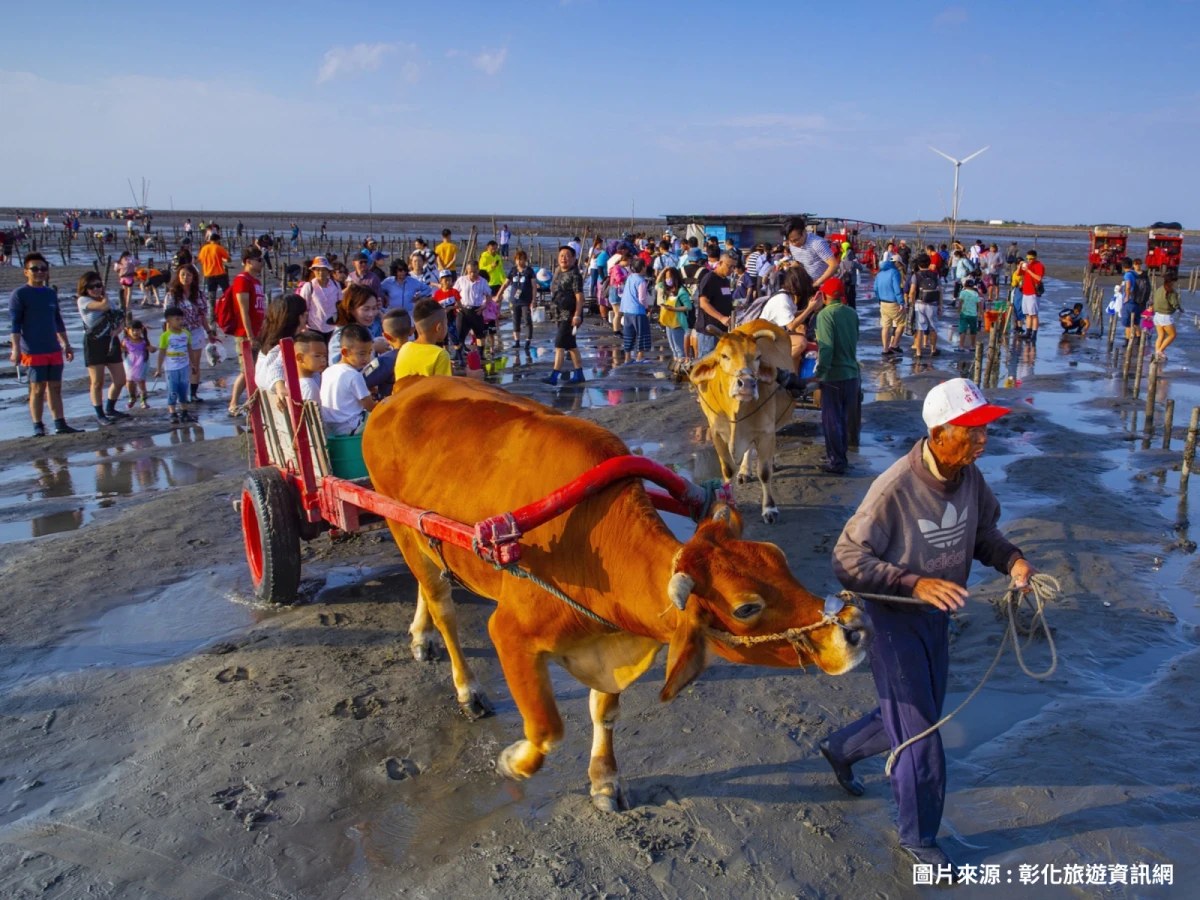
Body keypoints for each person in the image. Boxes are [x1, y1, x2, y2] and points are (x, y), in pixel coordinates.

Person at [820, 378, 1037, 876]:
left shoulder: (971, 478)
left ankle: (840, 748)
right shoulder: (894, 488)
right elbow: (847, 557)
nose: (983, 441)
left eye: (984, 430)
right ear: (939, 433)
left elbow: (984, 533)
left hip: (936, 617)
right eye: (972, 431)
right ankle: (919, 838)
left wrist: (1015, 563)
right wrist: (912, 583)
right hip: (891, 618)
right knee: (919, 734)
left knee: (919, 715)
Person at [9, 253, 80, 436]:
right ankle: (38, 426)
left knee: (56, 387)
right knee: (37, 388)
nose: (39, 272)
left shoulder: (50, 293)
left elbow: (58, 320)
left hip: (53, 348)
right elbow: (16, 323)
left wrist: (66, 344)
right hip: (33, 349)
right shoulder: (20, 294)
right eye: (35, 269)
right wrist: (15, 349)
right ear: (26, 272)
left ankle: (60, 423)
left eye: (43, 269)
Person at [813, 278, 860, 475]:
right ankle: (839, 456)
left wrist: (818, 375)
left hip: (834, 375)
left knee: (831, 420)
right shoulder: (852, 313)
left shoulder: (825, 315)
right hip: (852, 374)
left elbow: (826, 348)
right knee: (842, 418)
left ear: (825, 296)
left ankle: (836, 461)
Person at [76, 272, 128, 425]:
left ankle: (110, 408)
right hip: (94, 343)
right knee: (97, 381)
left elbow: (120, 318)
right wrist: (104, 295)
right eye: (91, 287)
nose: (96, 289)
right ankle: (100, 414)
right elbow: (103, 306)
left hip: (111, 341)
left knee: (120, 380)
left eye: (98, 285)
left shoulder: (108, 301)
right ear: (85, 288)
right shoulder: (83, 300)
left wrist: (118, 330)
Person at [227, 246, 267, 417]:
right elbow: (243, 310)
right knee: (247, 371)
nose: (262, 262)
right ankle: (234, 403)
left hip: (258, 333)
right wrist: (250, 335)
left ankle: (250, 404)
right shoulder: (242, 280)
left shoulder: (256, 281)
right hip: (245, 334)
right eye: (259, 260)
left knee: (257, 370)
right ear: (249, 261)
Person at [251, 294, 309, 414]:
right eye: (305, 313)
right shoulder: (287, 347)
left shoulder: (266, 349)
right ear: (300, 317)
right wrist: (280, 387)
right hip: (299, 421)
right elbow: (276, 367)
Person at [168, 263, 217, 402]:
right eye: (183, 275)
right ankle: (180, 392)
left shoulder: (199, 295)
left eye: (189, 275)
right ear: (178, 276)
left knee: (194, 363)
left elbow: (202, 315)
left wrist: (209, 332)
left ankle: (193, 394)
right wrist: (168, 336)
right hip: (178, 332)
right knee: (180, 362)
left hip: (195, 331)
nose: (185, 278)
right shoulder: (172, 295)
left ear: (193, 277)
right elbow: (168, 316)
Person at [755, 265, 816, 373]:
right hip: (765, 338)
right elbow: (791, 325)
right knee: (801, 342)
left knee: (798, 352)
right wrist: (809, 309)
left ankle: (794, 378)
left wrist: (811, 309)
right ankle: (777, 367)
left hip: (774, 335)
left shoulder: (787, 296)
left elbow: (793, 315)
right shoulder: (782, 299)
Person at [319, 324, 377, 436]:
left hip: (330, 429)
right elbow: (370, 406)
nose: (366, 358)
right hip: (350, 427)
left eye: (370, 352)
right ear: (345, 352)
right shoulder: (354, 376)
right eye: (362, 353)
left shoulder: (328, 371)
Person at [541, 247, 586, 385]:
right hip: (560, 314)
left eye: (567, 256)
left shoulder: (575, 275)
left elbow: (579, 297)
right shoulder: (558, 271)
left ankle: (554, 376)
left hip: (570, 315)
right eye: (561, 255)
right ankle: (579, 374)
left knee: (559, 344)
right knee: (571, 345)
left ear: (573, 259)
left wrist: (577, 315)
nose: (563, 258)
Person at [153, 307, 195, 425]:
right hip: (171, 369)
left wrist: (193, 364)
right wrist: (158, 369)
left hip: (184, 366)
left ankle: (184, 411)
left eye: (182, 319)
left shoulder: (186, 334)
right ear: (168, 321)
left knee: (184, 389)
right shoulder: (165, 336)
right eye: (177, 319)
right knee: (172, 390)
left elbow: (190, 350)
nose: (181, 322)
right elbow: (161, 353)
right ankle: (172, 413)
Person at [394, 298, 453, 379]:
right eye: (446, 323)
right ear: (438, 327)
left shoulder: (404, 348)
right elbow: (443, 389)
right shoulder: (440, 355)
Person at [694, 251, 738, 357]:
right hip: (709, 331)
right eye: (729, 266)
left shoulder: (725, 281)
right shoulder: (710, 278)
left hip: (722, 331)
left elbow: (723, 299)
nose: (731, 270)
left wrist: (734, 306)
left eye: (734, 267)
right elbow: (703, 303)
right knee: (707, 362)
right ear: (721, 263)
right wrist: (721, 317)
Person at [330, 283, 386, 364]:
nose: (371, 314)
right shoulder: (341, 335)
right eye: (366, 309)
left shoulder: (368, 328)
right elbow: (336, 364)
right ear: (351, 309)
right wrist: (372, 349)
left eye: (374, 308)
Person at [363, 308, 413, 397]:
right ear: (412, 331)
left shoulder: (384, 360)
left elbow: (361, 380)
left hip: (391, 406)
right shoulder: (423, 353)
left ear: (386, 336)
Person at [495, 249, 537, 350]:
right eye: (518, 260)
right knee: (515, 320)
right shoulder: (513, 270)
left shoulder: (529, 271)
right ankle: (516, 341)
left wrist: (533, 300)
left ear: (525, 260)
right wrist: (498, 295)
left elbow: (534, 286)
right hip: (514, 300)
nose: (519, 262)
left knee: (527, 320)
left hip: (526, 300)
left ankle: (527, 340)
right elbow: (506, 283)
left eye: (522, 260)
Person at [784, 216, 838, 289]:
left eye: (796, 240)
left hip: (822, 287)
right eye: (790, 241)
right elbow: (801, 263)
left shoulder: (817, 243)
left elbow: (834, 265)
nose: (793, 244)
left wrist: (817, 283)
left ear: (804, 232)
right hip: (806, 286)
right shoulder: (792, 245)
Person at [453, 262, 492, 360]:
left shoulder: (483, 282)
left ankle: (480, 354)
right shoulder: (461, 280)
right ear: (467, 270)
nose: (473, 274)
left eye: (475, 272)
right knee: (459, 333)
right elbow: (453, 292)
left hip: (477, 310)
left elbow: (489, 294)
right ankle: (458, 354)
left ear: (478, 270)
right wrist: (455, 305)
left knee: (480, 334)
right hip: (463, 310)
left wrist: (485, 305)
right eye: (470, 272)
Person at [618, 258, 654, 364]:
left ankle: (627, 358)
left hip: (627, 310)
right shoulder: (641, 281)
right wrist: (648, 307)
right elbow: (642, 298)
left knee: (628, 334)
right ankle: (639, 357)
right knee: (642, 334)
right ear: (643, 267)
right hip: (638, 311)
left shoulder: (629, 278)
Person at [299, 256, 341, 340]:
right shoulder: (308, 286)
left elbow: (340, 305)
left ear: (328, 271)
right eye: (317, 270)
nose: (321, 273)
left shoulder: (336, 285)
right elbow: (303, 308)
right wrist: (302, 327)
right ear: (313, 271)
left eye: (324, 269)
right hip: (314, 328)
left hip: (333, 328)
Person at [909, 253, 942, 357]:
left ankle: (918, 352)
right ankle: (933, 349)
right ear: (929, 263)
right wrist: (940, 305)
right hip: (932, 304)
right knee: (933, 327)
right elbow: (940, 291)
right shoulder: (935, 275)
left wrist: (912, 303)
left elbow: (912, 291)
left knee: (919, 328)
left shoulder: (916, 275)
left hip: (920, 303)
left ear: (919, 264)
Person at [655, 266, 692, 361]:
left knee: (680, 350)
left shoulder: (681, 291)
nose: (667, 279)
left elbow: (688, 306)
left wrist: (674, 309)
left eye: (669, 277)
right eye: (666, 277)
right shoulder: (666, 289)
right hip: (668, 324)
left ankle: (682, 369)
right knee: (674, 349)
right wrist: (663, 271)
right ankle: (677, 369)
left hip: (678, 324)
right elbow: (657, 284)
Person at [874, 257, 906, 357]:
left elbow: (875, 289)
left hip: (883, 302)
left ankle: (885, 348)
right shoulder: (894, 272)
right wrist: (901, 302)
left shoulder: (879, 274)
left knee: (885, 326)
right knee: (901, 323)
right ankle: (895, 345)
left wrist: (879, 299)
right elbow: (897, 288)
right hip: (893, 302)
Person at [120, 321, 152, 409]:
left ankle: (143, 400)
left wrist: (152, 349)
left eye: (137, 330)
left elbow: (151, 349)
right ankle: (132, 397)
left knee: (141, 382)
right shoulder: (126, 341)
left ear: (141, 330)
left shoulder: (144, 341)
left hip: (141, 363)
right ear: (128, 330)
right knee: (129, 381)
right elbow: (120, 349)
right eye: (133, 330)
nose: (135, 332)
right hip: (129, 363)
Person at [1152, 272, 1182, 362]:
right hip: (1165, 316)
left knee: (1160, 335)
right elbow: (1175, 304)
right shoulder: (1171, 291)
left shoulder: (1159, 289)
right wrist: (1180, 309)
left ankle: (1157, 353)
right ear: (1172, 281)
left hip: (1157, 315)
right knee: (1172, 335)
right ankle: (1160, 351)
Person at [1018, 249, 1045, 340]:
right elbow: (1019, 273)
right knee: (1027, 314)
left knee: (1034, 314)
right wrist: (1020, 266)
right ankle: (1028, 332)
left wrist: (1029, 270)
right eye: (1028, 258)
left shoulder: (1039, 266)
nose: (1029, 260)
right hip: (1025, 292)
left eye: (1031, 258)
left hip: (1033, 293)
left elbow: (1039, 278)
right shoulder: (1027, 265)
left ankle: (1034, 334)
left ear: (1035, 258)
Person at [197, 233, 231, 306]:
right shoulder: (218, 248)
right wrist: (222, 259)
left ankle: (212, 309)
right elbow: (228, 259)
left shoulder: (204, 249)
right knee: (227, 291)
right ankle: (228, 304)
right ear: (217, 240)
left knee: (211, 293)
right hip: (220, 273)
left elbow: (200, 259)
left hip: (208, 274)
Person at [294, 330, 327, 402]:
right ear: (300, 358)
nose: (323, 360)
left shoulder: (291, 381)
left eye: (324, 356)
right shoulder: (309, 387)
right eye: (317, 356)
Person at [956, 277, 981, 351]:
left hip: (964, 313)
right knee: (973, 331)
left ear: (965, 286)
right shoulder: (975, 293)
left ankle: (961, 346)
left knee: (963, 330)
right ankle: (972, 346)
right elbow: (979, 304)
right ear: (973, 286)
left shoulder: (963, 292)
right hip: (973, 314)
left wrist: (958, 311)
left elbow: (960, 302)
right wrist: (980, 313)